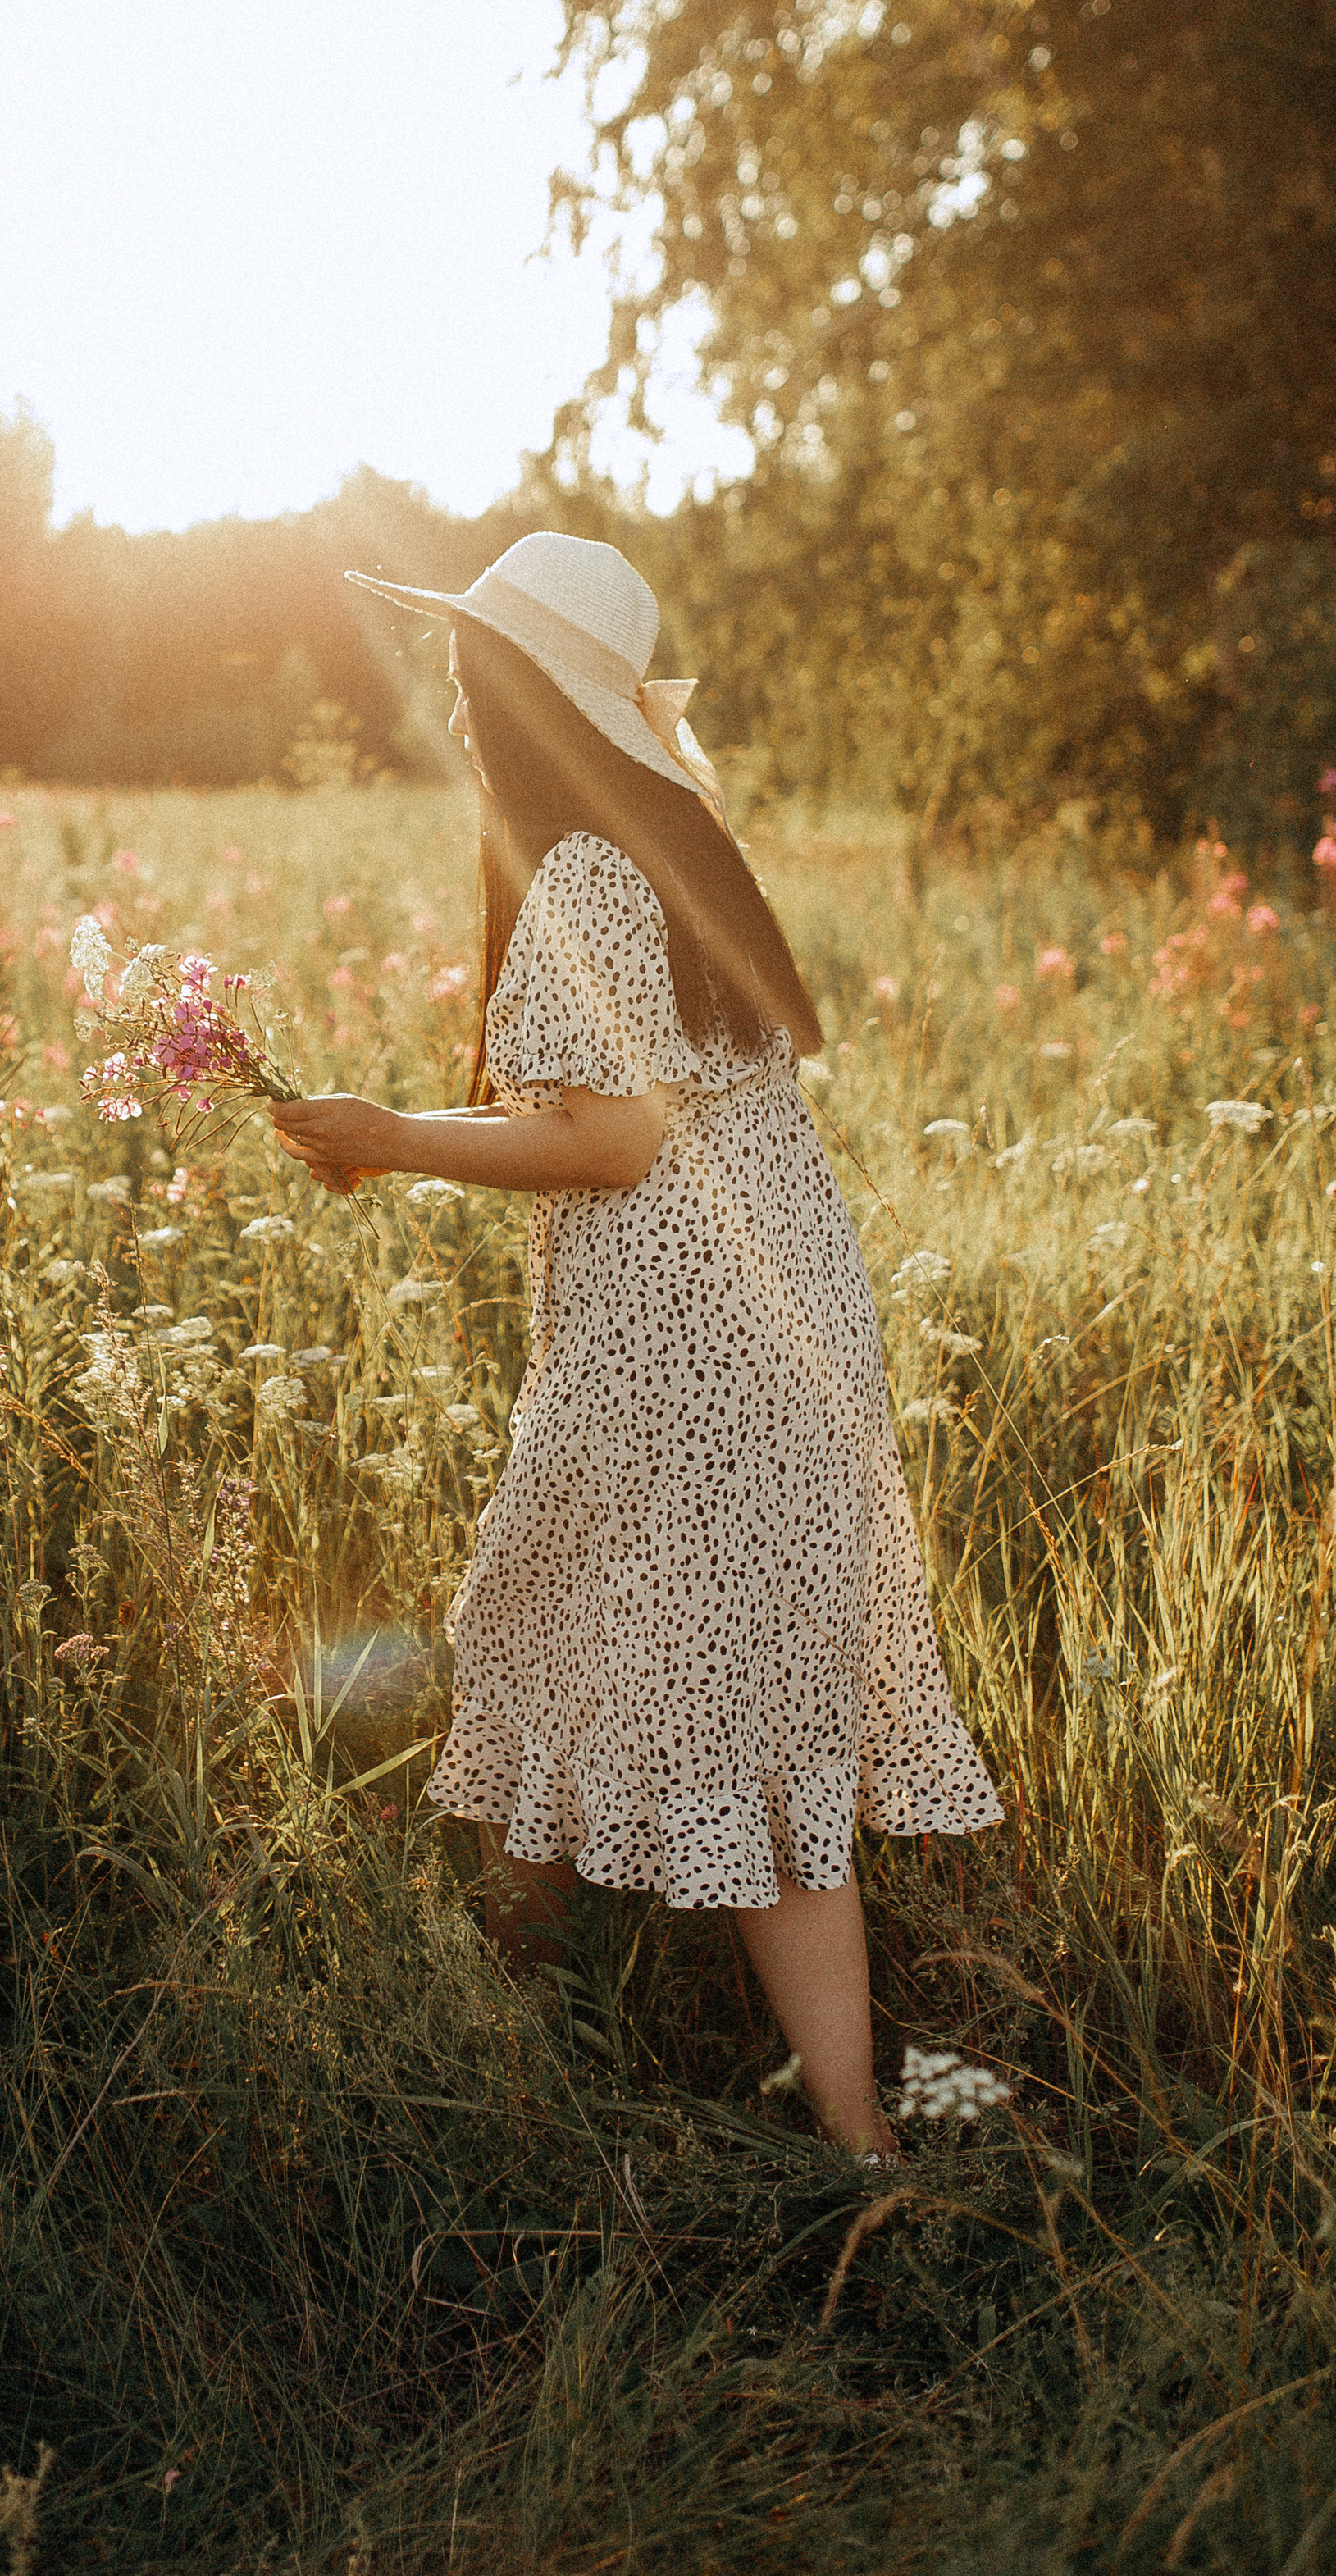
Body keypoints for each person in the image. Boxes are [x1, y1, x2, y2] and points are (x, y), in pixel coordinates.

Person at [268, 532, 1001, 2159]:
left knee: (544, 1631)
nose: (457, 708)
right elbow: (600, 1113)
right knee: (717, 1691)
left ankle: (517, 2064)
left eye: (475, 678)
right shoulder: (651, 838)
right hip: (764, 1340)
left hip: (686, 1359)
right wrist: (396, 1130)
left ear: (532, 694)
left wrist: (392, 1134)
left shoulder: (589, 874)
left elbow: (610, 1145)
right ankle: (843, 2137)